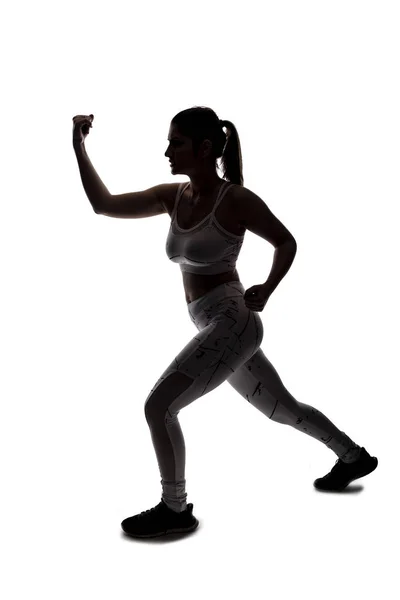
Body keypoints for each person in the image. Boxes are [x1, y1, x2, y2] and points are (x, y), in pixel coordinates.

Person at [72, 107, 378, 539]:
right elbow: (103, 205)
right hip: (214, 325)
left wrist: (268, 288)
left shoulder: (234, 200)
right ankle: (352, 457)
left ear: (205, 148)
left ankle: (175, 509)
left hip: (233, 320)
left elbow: (286, 241)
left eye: (175, 142)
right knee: (282, 409)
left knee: (159, 406)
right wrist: (78, 146)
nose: (166, 151)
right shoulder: (173, 196)